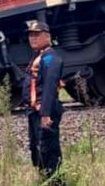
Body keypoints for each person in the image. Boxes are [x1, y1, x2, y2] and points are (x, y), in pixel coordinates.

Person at [21, 20, 64, 184]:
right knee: (36, 149)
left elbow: (49, 89)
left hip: (45, 113)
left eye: (37, 35)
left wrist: (45, 114)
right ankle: (45, 179)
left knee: (49, 151)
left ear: (47, 36)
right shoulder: (38, 57)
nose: (33, 38)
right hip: (34, 112)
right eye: (31, 35)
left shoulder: (51, 59)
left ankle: (56, 182)